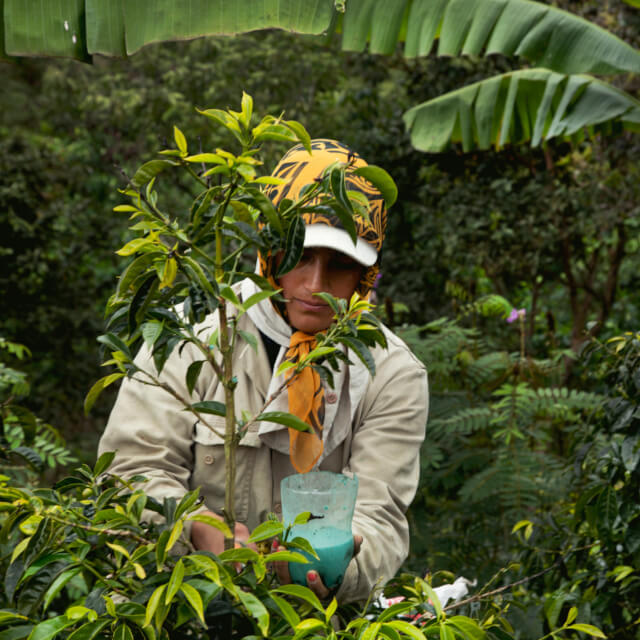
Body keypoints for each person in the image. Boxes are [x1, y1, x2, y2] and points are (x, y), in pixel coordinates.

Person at [98, 139, 428, 603]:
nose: (315, 285)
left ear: (365, 274)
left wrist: (343, 564)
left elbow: (380, 513)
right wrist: (194, 527)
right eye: (300, 256)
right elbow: (130, 472)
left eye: (340, 264)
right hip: (185, 612)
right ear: (269, 253)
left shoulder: (391, 373)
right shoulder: (190, 339)